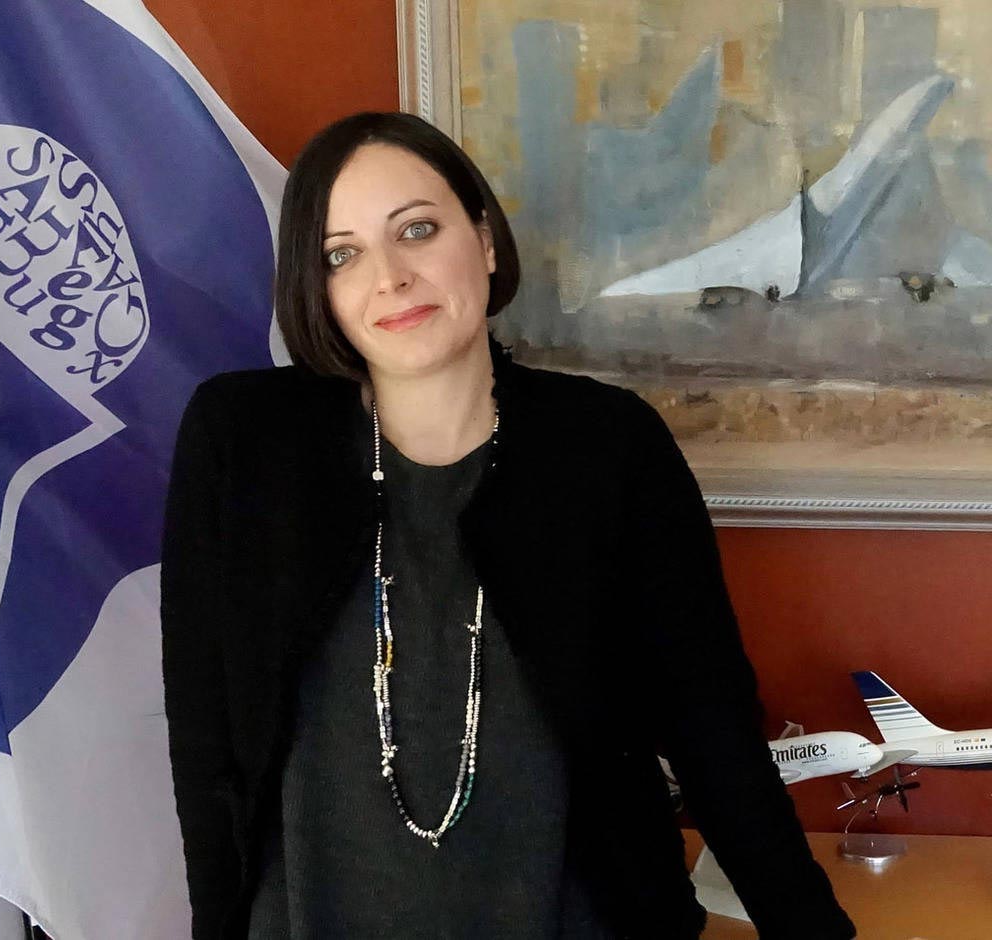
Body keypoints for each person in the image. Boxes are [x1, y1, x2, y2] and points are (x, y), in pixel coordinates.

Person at [161, 111, 855, 939]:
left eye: (417, 230)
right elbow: (205, 743)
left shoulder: (608, 446)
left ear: (485, 241)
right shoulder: (244, 441)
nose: (390, 278)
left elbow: (714, 735)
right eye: (341, 254)